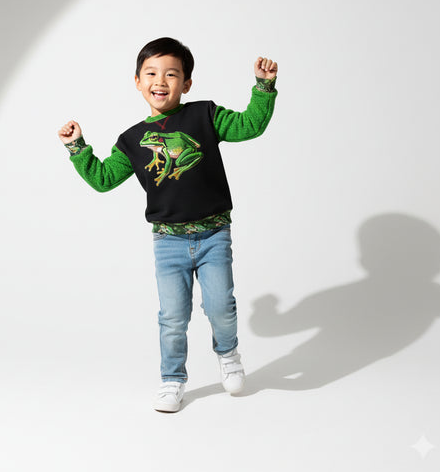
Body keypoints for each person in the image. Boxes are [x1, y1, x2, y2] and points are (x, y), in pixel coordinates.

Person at [57, 37, 278, 413]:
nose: (161, 81)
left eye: (172, 74)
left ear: (186, 83)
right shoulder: (131, 141)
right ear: (138, 82)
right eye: (151, 73)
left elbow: (250, 126)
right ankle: (172, 379)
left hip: (213, 234)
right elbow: (103, 179)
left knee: (221, 305)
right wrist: (78, 148)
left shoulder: (205, 115)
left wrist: (263, 87)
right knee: (173, 317)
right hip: (168, 242)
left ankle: (228, 354)